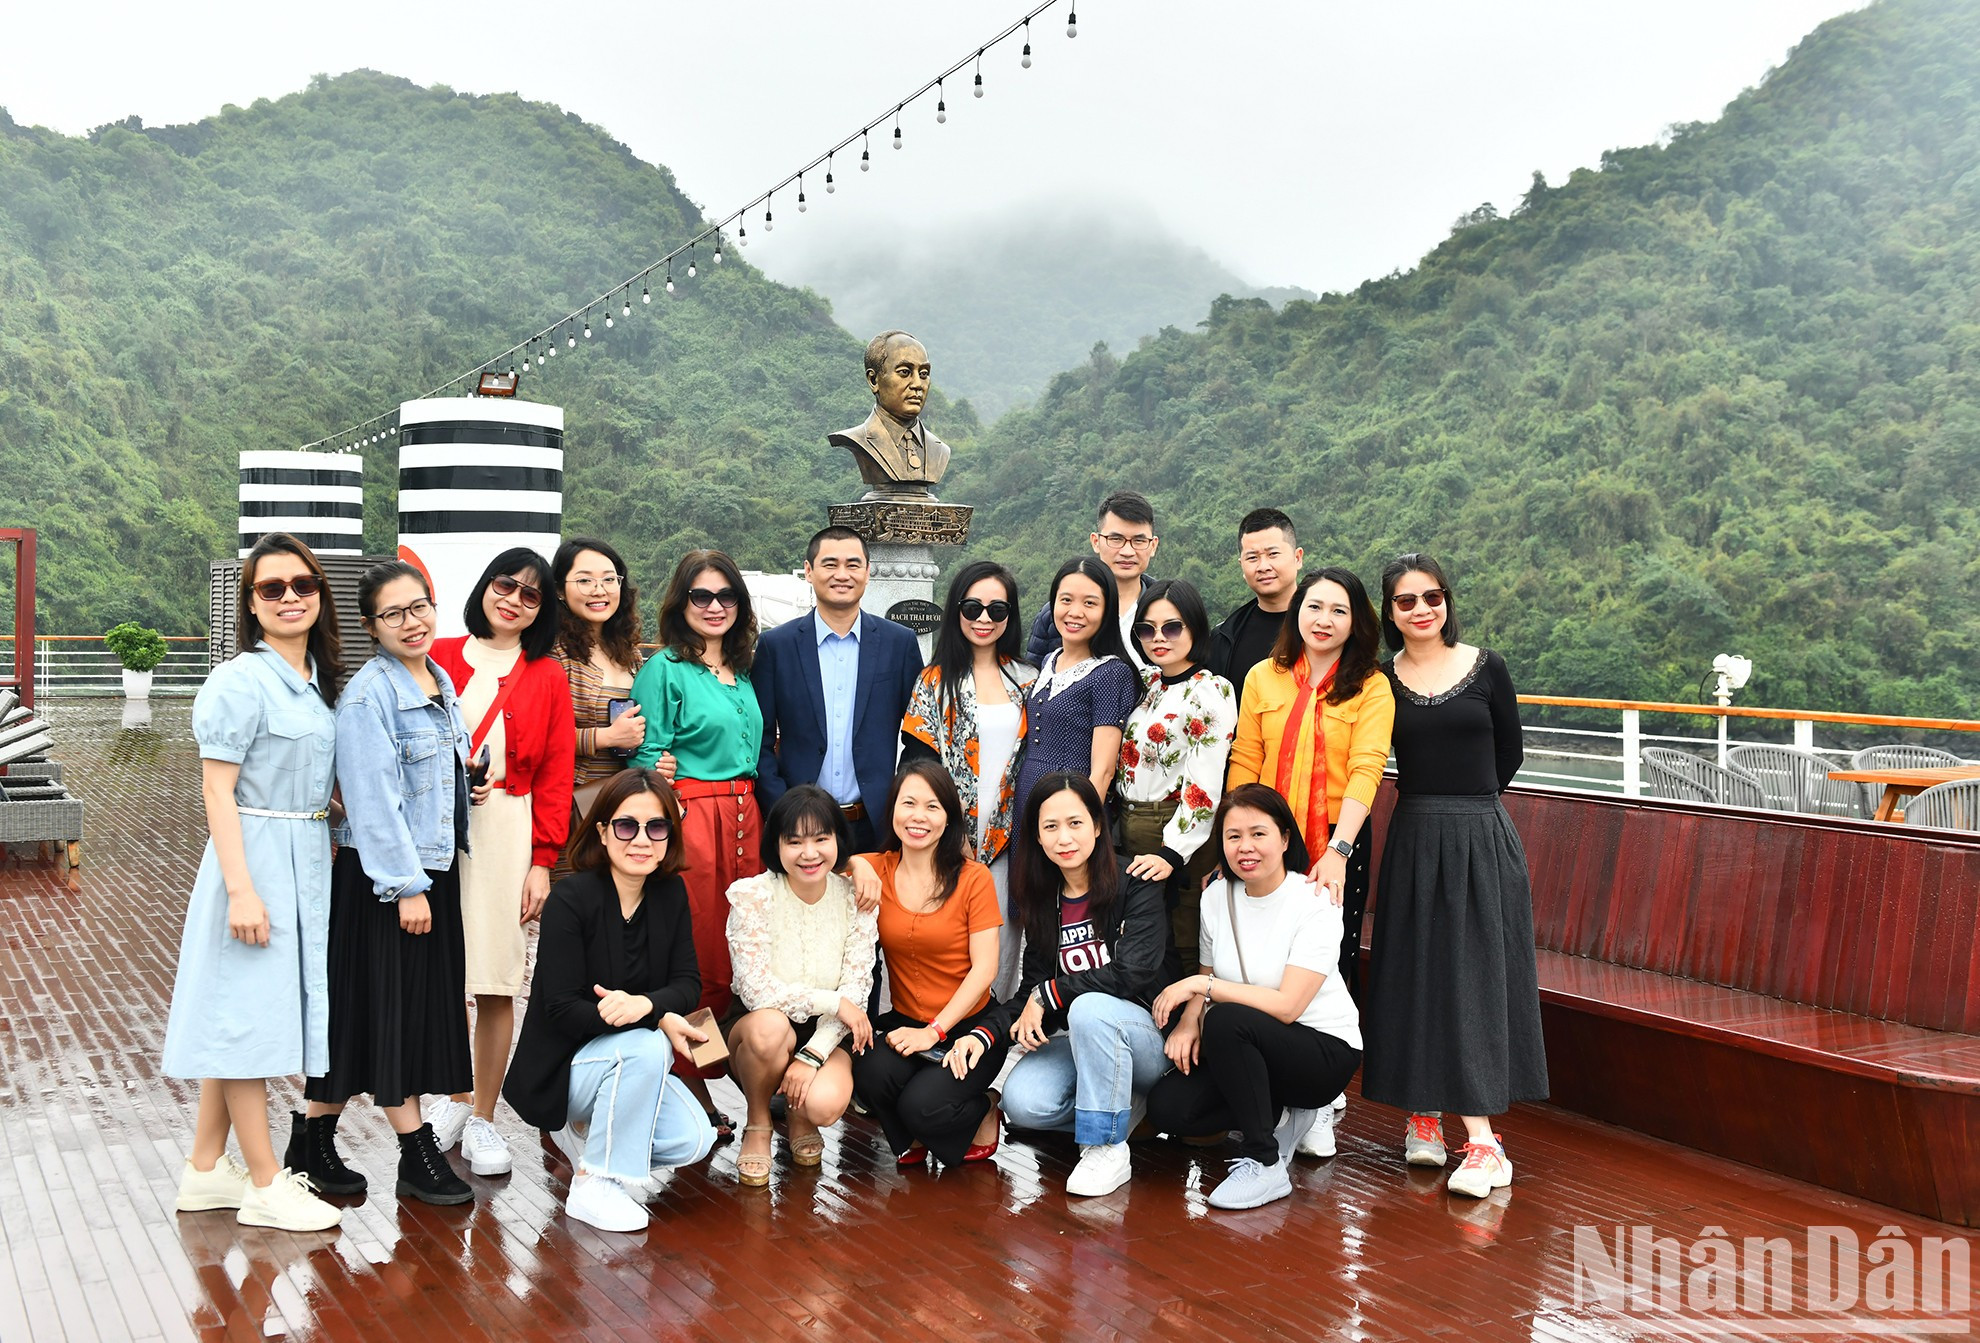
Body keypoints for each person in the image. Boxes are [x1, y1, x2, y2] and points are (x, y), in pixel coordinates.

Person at [162, 532, 345, 1233]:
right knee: (248, 1019)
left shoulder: (310, 680)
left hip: (302, 850)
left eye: (303, 584)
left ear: (320, 594)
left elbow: (306, 780)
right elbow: (217, 790)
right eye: (273, 588)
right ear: (250, 603)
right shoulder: (240, 679)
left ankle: (206, 1168)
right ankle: (267, 1181)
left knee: (246, 1010)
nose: (291, 596)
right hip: (256, 857)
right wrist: (241, 889)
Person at [292, 560, 480, 1207]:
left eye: (420, 605)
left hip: (430, 873)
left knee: (364, 1015)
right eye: (394, 613)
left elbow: (424, 782)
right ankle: (415, 1151)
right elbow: (371, 802)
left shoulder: (438, 679)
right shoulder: (369, 695)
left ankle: (310, 1138)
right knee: (393, 1014)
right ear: (372, 626)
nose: (412, 620)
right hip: (390, 884)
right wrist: (406, 887)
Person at [1361, 553, 1548, 1198]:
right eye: (1406, 601)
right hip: (1414, 834)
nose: (1421, 610)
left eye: (1432, 597)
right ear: (1389, 613)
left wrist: (1470, 811)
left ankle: (1485, 1142)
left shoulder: (1486, 666)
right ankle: (1423, 1111)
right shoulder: (1381, 679)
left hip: (1479, 836)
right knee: (1414, 969)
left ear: (1447, 601)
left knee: (1472, 975)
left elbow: (1509, 751)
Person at [503, 770, 717, 1232]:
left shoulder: (670, 892)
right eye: (626, 825)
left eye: (656, 827)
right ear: (601, 832)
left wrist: (645, 1007)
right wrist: (653, 1022)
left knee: (695, 1139)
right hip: (563, 1069)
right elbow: (560, 1008)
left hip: (626, 1060)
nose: (641, 839)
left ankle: (599, 1139)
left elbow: (687, 983)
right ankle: (594, 1182)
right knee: (648, 1047)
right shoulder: (571, 899)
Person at [428, 549, 576, 1179]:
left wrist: (542, 861)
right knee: (439, 975)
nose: (513, 599)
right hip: (437, 830)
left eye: (531, 594)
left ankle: (483, 1113)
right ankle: (453, 1101)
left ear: (542, 611)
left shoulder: (546, 676)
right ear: (486, 587)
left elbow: (555, 775)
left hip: (507, 831)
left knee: (493, 977)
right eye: (504, 584)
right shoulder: (438, 656)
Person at [1145, 786, 1363, 1211]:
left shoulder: (1315, 902)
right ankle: (1280, 1115)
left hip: (1322, 1052)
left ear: (1284, 839)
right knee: (1170, 1109)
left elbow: (1287, 1006)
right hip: (1258, 1047)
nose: (1245, 847)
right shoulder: (1215, 898)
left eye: (1258, 834)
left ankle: (1265, 1163)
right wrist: (1190, 1021)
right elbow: (1209, 973)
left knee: (1227, 1020)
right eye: (1233, 836)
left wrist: (1199, 990)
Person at [627, 549, 764, 1132]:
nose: (714, 607)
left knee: (743, 950)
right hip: (695, 819)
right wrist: (668, 791)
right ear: (681, 603)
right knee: (697, 954)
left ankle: (749, 1079)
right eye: (700, 596)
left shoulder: (743, 672)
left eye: (725, 596)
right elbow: (644, 753)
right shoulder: (664, 668)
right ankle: (691, 1088)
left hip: (747, 818)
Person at [997, 774, 1169, 1198]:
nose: (1063, 838)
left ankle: (1105, 1147)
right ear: (1036, 836)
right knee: (1023, 1104)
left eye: (1075, 823)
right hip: (1084, 1042)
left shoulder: (1136, 881)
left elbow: (1133, 973)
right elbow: (1033, 990)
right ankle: (1125, 1111)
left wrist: (1048, 995)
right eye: (1050, 827)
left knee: (1090, 1007)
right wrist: (986, 1034)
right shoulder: (1043, 898)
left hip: (1147, 1036)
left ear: (1097, 824)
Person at [845, 762, 1009, 1168]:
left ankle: (984, 1107)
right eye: (909, 803)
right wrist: (855, 862)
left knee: (923, 1105)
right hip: (907, 1022)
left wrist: (935, 1032)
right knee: (866, 1073)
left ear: (949, 817)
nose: (919, 816)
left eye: (932, 806)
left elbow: (985, 970)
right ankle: (916, 1136)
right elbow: (819, 855)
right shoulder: (877, 869)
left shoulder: (974, 879)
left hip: (968, 1027)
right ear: (893, 811)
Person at [724, 785, 879, 1185]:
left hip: (827, 1033)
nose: (809, 854)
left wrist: (813, 1055)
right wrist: (834, 1001)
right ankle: (758, 1121)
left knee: (825, 1105)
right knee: (769, 1029)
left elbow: (857, 990)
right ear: (776, 845)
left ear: (838, 841)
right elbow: (754, 988)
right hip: (761, 1027)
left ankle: (797, 1113)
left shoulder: (854, 898)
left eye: (821, 839)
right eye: (795, 842)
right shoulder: (754, 896)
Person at [900, 559, 1037, 998]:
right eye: (972, 607)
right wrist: (949, 829)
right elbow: (918, 765)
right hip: (945, 838)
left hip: (1009, 840)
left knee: (999, 947)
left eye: (997, 610)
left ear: (1010, 616)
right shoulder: (934, 682)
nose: (984, 618)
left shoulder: (1029, 680)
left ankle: (987, 1045)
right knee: (943, 944)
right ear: (955, 610)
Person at [754, 525, 924, 855]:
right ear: (808, 571)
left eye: (853, 564)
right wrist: (783, 808)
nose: (841, 574)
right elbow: (759, 739)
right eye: (830, 564)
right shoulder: (777, 646)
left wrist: (903, 800)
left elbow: (920, 734)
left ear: (868, 572)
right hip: (799, 826)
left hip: (877, 823)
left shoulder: (898, 643)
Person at [1116, 579, 1237, 982]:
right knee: (1144, 936)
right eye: (1146, 629)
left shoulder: (1211, 690)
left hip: (1176, 829)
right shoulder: (1147, 684)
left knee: (1184, 935)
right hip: (1130, 823)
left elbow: (1205, 785)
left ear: (1195, 628)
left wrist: (1174, 851)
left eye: (1171, 627)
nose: (1157, 638)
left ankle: (1189, 1029)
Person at [1013, 557, 1143, 841]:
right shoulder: (1048, 661)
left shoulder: (1110, 672)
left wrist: (1080, 826)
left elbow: (1103, 770)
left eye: (1089, 603)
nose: (1075, 612)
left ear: (1107, 610)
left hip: (1070, 812)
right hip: (1027, 800)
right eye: (1066, 600)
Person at [553, 537, 666, 806]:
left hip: (626, 803)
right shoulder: (553, 653)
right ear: (559, 589)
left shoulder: (631, 654)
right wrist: (606, 737)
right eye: (584, 581)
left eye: (609, 579)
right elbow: (537, 737)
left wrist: (662, 760)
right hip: (571, 804)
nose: (599, 590)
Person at [1027, 491, 1160, 663]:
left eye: (1139, 541)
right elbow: (1036, 679)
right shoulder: (1057, 614)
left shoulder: (1169, 611)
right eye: (1116, 539)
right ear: (1096, 542)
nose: (1127, 551)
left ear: (1153, 545)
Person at [828, 330, 952, 500]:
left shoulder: (939, 450)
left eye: (923, 374)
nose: (918, 384)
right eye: (904, 372)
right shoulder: (858, 440)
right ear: (874, 380)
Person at [1206, 509, 1306, 716]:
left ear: (1298, 558)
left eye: (1273, 554)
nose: (1263, 566)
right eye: (1252, 558)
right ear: (1241, 566)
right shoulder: (1223, 638)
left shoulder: (1328, 627)